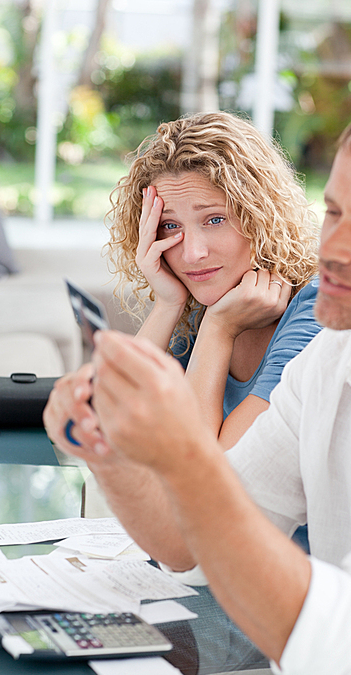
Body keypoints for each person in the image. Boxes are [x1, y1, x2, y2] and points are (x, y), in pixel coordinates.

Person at [44, 88, 351, 675]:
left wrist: (182, 454)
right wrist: (107, 450)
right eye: (334, 212)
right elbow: (189, 550)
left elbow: (342, 645)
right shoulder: (334, 361)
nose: (335, 247)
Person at [105, 111, 321, 449]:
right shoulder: (206, 300)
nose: (192, 254)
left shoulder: (315, 309)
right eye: (170, 225)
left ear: (259, 216)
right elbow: (114, 428)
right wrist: (168, 304)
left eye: (214, 219)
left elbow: (210, 472)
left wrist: (220, 328)